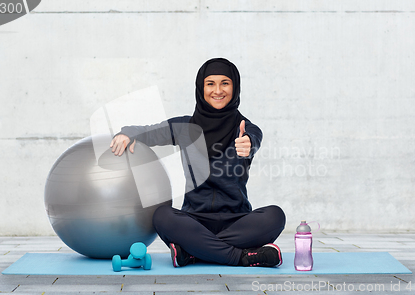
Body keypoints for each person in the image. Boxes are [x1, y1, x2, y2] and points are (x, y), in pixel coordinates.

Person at [110, 58, 286, 267]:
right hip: (193, 221)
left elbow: (254, 137)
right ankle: (241, 257)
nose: (218, 90)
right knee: (162, 216)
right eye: (210, 83)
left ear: (235, 87)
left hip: (238, 221)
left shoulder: (244, 128)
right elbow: (150, 132)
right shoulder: (186, 127)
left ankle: (194, 252)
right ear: (201, 88)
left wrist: (248, 143)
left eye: (225, 83)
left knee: (275, 215)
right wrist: (127, 133)